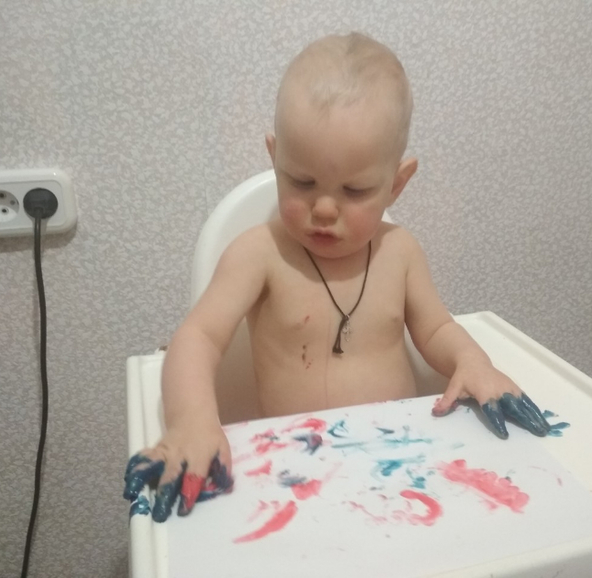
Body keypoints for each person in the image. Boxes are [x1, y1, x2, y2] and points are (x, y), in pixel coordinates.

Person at [123, 32, 550, 522]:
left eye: (355, 190)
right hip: (296, 473)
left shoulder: (400, 252)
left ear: (396, 184)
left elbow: (436, 329)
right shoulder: (259, 254)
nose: (324, 208)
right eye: (301, 181)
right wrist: (191, 420)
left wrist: (473, 362)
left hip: (404, 461)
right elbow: (199, 336)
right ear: (275, 159)